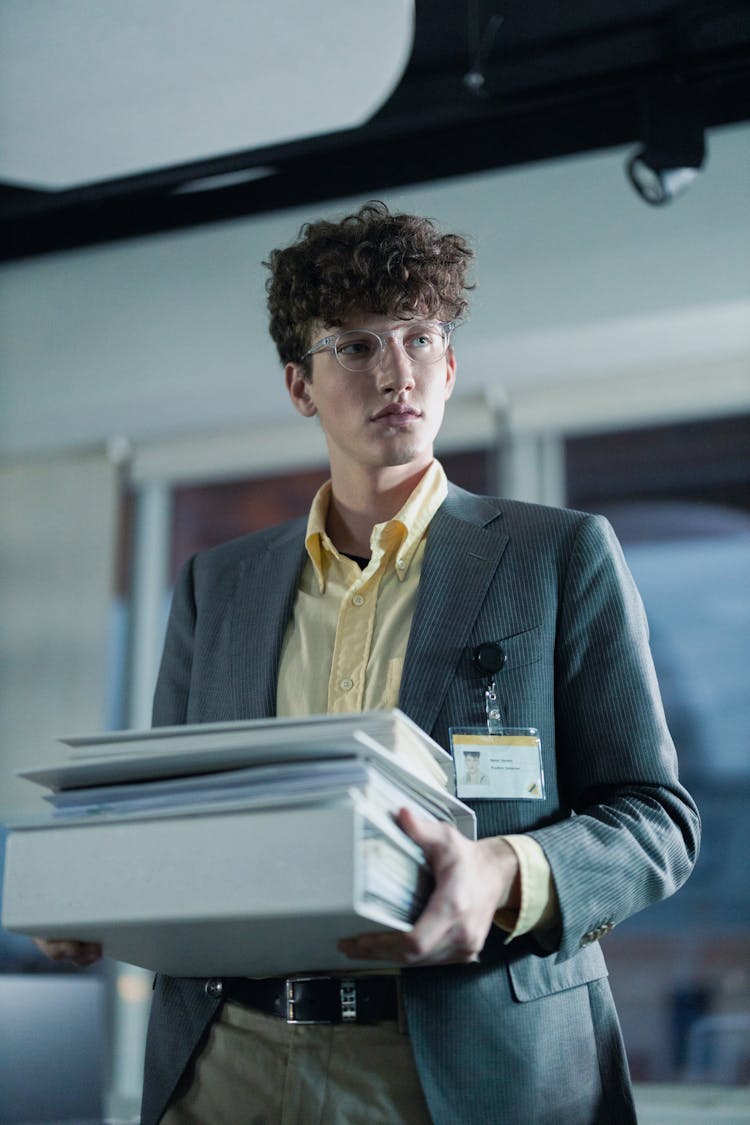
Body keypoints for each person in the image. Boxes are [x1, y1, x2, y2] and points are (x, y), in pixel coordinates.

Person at [37, 202, 700, 1124]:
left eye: (421, 338)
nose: (397, 372)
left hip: (464, 1063)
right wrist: (98, 891)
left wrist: (505, 869)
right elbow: (179, 811)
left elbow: (656, 820)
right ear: (300, 387)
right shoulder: (215, 584)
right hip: (230, 1054)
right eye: (354, 345)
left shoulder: (559, 555)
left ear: (451, 364)